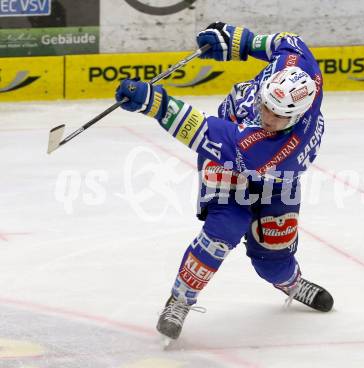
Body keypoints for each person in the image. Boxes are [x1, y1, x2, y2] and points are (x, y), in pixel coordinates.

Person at [115, 22, 334, 341]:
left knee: (273, 258)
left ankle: (289, 281)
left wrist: (155, 104)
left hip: (271, 172)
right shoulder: (298, 60)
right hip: (229, 154)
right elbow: (286, 41)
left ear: (297, 116)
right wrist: (238, 41)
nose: (267, 117)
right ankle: (180, 299)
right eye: (266, 106)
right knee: (224, 227)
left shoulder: (272, 147)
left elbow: (203, 132)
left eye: (277, 116)